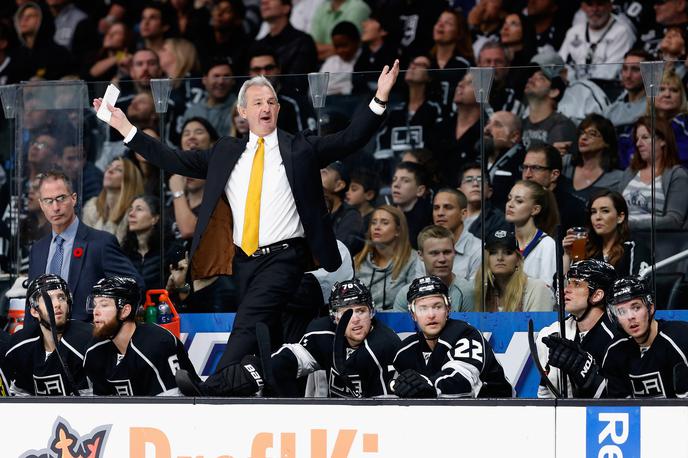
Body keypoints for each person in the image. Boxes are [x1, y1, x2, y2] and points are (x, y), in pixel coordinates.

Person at [94, 61, 400, 372]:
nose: (266, 107)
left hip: (285, 256)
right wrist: (124, 126)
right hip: (244, 261)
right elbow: (172, 158)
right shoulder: (226, 151)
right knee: (268, 335)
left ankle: (210, 387)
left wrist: (380, 97)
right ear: (243, 112)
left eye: (271, 102)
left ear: (278, 109)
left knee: (246, 324)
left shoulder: (300, 147)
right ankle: (277, 392)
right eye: (257, 103)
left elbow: (349, 139)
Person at [176, 279, 401, 397]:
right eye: (347, 313)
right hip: (331, 421)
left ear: (372, 312)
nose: (356, 319)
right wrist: (266, 367)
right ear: (334, 317)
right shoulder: (321, 332)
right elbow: (296, 357)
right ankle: (208, 391)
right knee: (257, 367)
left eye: (361, 311)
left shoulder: (385, 343)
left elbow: (389, 405)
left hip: (373, 423)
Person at [28, 171, 143, 321]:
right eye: (48, 201)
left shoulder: (101, 243)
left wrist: (110, 329)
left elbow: (134, 286)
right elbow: (31, 303)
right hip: (45, 340)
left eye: (61, 198)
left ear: (74, 198)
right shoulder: (38, 250)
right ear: (42, 205)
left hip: (89, 338)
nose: (55, 207)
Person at [392, 275, 513, 398]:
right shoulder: (405, 351)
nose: (431, 315)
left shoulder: (466, 334)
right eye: (423, 309)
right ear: (413, 315)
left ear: (448, 308)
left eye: (437, 307)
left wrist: (428, 385)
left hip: (498, 409)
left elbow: (462, 382)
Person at [83, 276, 200, 396]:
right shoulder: (94, 350)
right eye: (94, 304)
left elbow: (171, 407)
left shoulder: (157, 343)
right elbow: (99, 406)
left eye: (104, 305)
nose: (95, 311)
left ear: (125, 311)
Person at [536, 259, 618, 398]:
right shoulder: (553, 333)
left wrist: (587, 374)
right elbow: (545, 394)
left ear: (597, 295)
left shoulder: (616, 339)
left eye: (577, 284)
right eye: (569, 283)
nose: (566, 290)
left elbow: (622, 401)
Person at [0, 274, 92, 395]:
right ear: (34, 311)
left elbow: (91, 404)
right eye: (48, 299)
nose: (57, 304)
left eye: (61, 297)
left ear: (68, 305)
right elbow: (19, 398)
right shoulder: (20, 346)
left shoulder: (87, 340)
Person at [602, 276, 688, 398]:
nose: (630, 316)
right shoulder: (614, 351)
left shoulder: (680, 339)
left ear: (650, 308)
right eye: (621, 312)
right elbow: (619, 408)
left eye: (636, 307)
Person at [618, 116, 688, 231]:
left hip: (654, 242)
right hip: (622, 238)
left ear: (662, 141)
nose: (638, 144)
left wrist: (628, 224)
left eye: (645, 137)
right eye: (637, 139)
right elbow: (615, 208)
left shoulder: (677, 175)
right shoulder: (630, 172)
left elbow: (674, 220)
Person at [563, 189, 649, 276]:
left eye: (605, 211)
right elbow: (564, 286)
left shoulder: (634, 247)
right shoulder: (587, 247)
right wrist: (567, 256)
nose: (597, 217)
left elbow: (639, 286)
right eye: (593, 212)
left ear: (620, 217)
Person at [394, 225, 474, 312]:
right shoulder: (406, 294)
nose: (442, 259)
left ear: (454, 253)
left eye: (447, 252)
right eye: (434, 253)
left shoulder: (466, 292)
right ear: (420, 255)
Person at [355, 205, 418, 311]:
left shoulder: (413, 260)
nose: (377, 227)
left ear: (398, 230)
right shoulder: (358, 260)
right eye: (374, 222)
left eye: (384, 223)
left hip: (399, 322)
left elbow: (414, 302)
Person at [475, 230, 555, 312]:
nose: (500, 257)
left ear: (518, 260)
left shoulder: (537, 289)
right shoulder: (480, 290)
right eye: (493, 252)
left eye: (507, 252)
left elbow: (539, 324)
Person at [558, 0, 634, 83]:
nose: (594, 9)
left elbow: (609, 74)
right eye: (590, 4)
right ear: (583, 7)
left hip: (606, 90)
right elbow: (560, 64)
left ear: (610, 6)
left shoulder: (622, 32)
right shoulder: (574, 32)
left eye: (600, 4)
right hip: (575, 88)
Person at [168, 117, 218, 241]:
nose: (191, 137)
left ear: (212, 142)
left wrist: (178, 192)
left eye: (199, 132)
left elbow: (188, 230)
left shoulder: (218, 203)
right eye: (186, 133)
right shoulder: (170, 208)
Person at [521, 143, 587, 231]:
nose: (527, 174)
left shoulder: (574, 209)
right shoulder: (516, 202)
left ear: (554, 175)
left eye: (535, 168)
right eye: (525, 167)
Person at [505, 180, 558, 287]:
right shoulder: (502, 239)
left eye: (519, 201)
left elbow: (548, 291)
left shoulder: (547, 245)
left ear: (535, 209)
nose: (510, 204)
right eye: (509, 198)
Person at [521, 51, 577, 151]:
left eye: (540, 78)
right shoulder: (521, 124)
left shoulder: (562, 125)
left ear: (554, 92)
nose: (530, 80)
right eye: (531, 76)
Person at [604, 49, 650, 169]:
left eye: (635, 69)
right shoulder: (611, 110)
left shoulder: (654, 106)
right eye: (625, 69)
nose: (628, 75)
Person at [81, 157, 144, 244]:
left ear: (129, 180)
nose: (109, 171)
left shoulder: (132, 212)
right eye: (109, 167)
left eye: (118, 170)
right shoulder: (92, 207)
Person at [562, 113, 623, 201]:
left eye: (592, 134)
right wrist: (552, 154)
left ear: (607, 142)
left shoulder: (617, 179)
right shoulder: (566, 163)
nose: (583, 137)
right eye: (582, 132)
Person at [122, 195, 172, 291]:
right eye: (131, 209)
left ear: (155, 219)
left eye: (139, 209)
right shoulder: (124, 253)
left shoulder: (169, 251)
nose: (131, 214)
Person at [430, 188, 481, 281]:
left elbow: (474, 293)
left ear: (463, 214)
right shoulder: (427, 247)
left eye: (448, 207)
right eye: (436, 208)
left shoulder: (478, 250)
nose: (440, 213)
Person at [256, 0, 318, 75]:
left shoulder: (302, 42)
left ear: (286, 8)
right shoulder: (258, 45)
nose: (264, 2)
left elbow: (298, 80)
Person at [480, 110, 525, 211]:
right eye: (487, 123)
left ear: (514, 136)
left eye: (497, 125)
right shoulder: (477, 158)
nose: (486, 129)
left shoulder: (524, 165)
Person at [181, 58, 236, 137]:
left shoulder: (241, 109)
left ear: (233, 80)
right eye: (216, 76)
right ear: (204, 80)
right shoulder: (193, 112)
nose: (221, 81)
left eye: (226, 76)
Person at [458, 162, 510, 240]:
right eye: (469, 180)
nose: (475, 184)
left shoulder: (499, 220)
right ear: (459, 191)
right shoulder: (451, 216)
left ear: (489, 192)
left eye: (481, 180)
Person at [321, 161, 364, 255]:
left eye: (324, 172)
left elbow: (341, 250)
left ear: (339, 185)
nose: (317, 174)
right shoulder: (310, 209)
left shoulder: (351, 216)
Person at [390, 162, 432, 249]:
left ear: (420, 190)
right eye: (394, 179)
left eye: (405, 180)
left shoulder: (428, 219)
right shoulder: (386, 214)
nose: (396, 185)